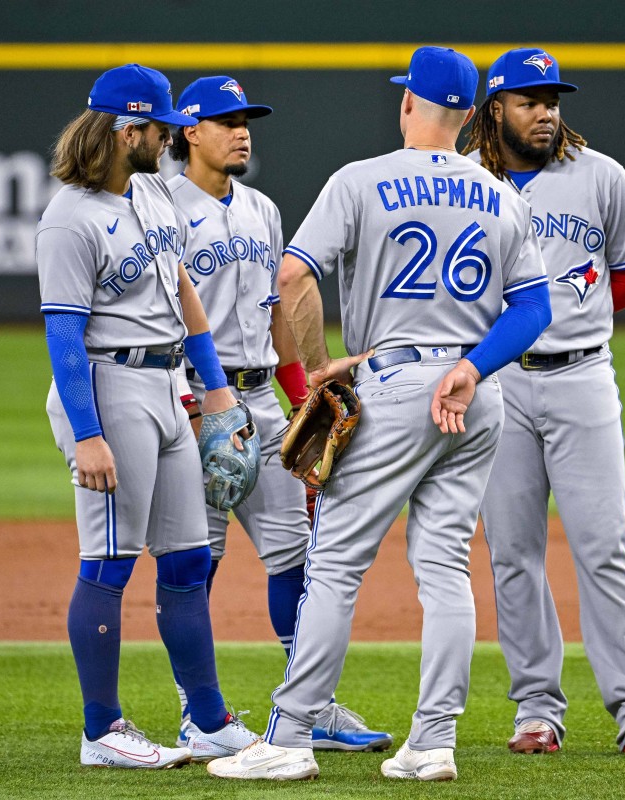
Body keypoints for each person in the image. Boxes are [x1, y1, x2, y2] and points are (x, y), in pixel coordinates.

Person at [206, 46, 552, 782]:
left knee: (332, 567)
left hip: (392, 388)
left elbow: (293, 277)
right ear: (468, 116)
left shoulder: (361, 179)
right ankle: (432, 743)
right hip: (473, 395)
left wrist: (314, 370)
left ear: (407, 103)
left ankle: (291, 738)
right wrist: (470, 369)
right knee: (445, 567)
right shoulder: (503, 194)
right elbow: (535, 309)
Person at [164, 74, 391, 757]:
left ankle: (309, 707)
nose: (242, 131)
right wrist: (187, 406)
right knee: (195, 561)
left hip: (262, 398)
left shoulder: (262, 208)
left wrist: (301, 402)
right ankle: (195, 715)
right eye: (226, 120)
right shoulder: (161, 209)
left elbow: (277, 316)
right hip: (197, 401)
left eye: (247, 120)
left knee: (298, 555)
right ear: (188, 132)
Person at [463, 47, 625, 757]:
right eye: (529, 99)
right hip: (497, 385)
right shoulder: (465, 184)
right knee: (511, 551)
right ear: (495, 108)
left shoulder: (601, 177)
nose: (546, 110)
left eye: (552, 98)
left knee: (603, 543)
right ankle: (536, 710)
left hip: (584, 378)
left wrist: (572, 320)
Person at [37, 63, 257, 769]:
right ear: (127, 129)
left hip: (167, 386)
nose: (171, 138)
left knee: (189, 560)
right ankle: (101, 731)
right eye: (162, 129)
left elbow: (185, 292)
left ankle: (211, 720)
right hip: (110, 386)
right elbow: (65, 336)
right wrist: (89, 434)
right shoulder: (69, 218)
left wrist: (217, 390)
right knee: (108, 561)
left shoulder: (156, 196)